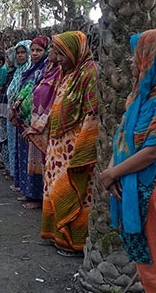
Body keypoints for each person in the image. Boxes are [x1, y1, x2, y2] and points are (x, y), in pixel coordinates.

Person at [99, 29, 156, 291]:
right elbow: (121, 138)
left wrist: (112, 173)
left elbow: (153, 151)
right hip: (136, 191)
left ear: (153, 59)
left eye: (136, 56)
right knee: (148, 271)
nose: (131, 62)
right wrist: (111, 172)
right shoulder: (141, 97)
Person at [40, 31, 98, 257]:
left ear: (75, 51)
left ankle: (72, 242)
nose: (57, 58)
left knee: (74, 193)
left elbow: (92, 115)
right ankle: (56, 234)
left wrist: (82, 152)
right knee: (55, 191)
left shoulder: (89, 73)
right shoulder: (69, 72)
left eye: (62, 53)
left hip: (74, 150)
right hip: (57, 148)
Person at [10, 36, 50, 209]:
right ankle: (27, 192)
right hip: (24, 119)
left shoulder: (45, 70)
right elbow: (25, 90)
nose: (34, 54)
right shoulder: (32, 70)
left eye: (38, 50)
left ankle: (37, 196)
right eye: (32, 50)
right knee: (26, 156)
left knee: (35, 158)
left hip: (36, 121)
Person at [4, 40, 32, 190]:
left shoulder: (29, 70)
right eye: (18, 53)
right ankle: (16, 175)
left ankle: (22, 181)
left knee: (22, 147)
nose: (20, 55)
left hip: (22, 114)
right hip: (12, 112)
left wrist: (15, 109)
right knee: (14, 144)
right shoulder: (18, 70)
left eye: (23, 52)